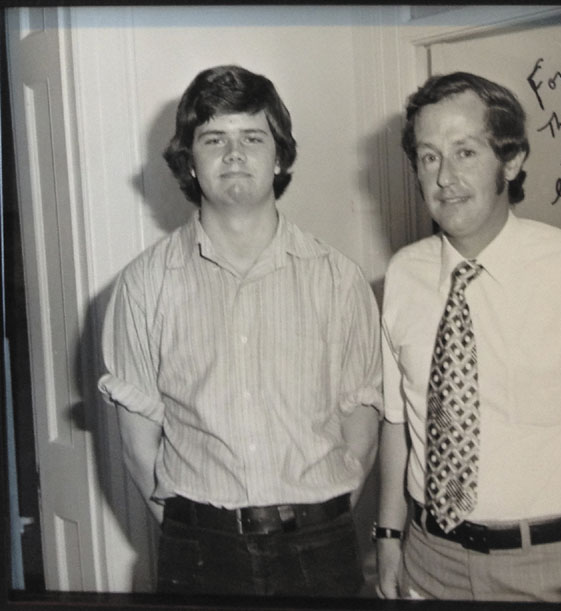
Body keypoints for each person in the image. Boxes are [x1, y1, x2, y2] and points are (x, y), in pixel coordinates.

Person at [375, 71, 561, 602]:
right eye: (429, 157)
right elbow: (398, 421)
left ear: (510, 161)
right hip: (429, 560)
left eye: (465, 152)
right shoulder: (402, 274)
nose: (445, 177)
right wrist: (388, 537)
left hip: (558, 567)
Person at [98, 65, 382, 597]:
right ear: (189, 161)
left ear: (280, 156)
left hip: (321, 547)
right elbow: (140, 451)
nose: (234, 154)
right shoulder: (143, 285)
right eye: (213, 139)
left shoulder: (338, 279)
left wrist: (312, 517)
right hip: (200, 549)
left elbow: (361, 438)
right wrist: (198, 533)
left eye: (252, 137)